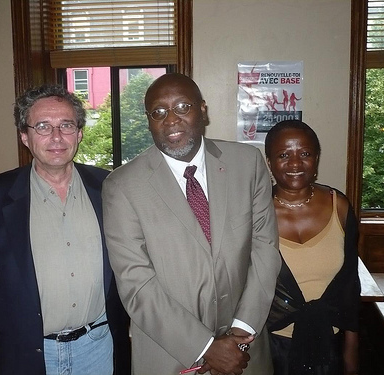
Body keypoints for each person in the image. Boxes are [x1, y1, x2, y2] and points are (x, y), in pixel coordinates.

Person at [102, 73, 282, 375]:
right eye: (158, 112)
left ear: (203, 110)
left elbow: (265, 249)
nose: (171, 119)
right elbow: (137, 284)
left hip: (245, 351)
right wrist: (206, 347)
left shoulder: (247, 163)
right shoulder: (122, 187)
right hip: (170, 356)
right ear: (149, 120)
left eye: (183, 107)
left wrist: (241, 331)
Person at [0, 84, 131, 375]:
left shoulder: (111, 188)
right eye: (42, 126)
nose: (56, 136)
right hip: (27, 355)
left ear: (79, 133)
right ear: (24, 136)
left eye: (66, 125)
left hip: (99, 348)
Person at [264, 120, 360, 375]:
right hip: (272, 348)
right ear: (269, 161)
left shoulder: (338, 205)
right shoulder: (255, 212)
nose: (295, 164)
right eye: (283, 155)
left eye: (305, 154)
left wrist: (351, 352)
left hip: (331, 344)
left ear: (316, 158)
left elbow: (351, 284)